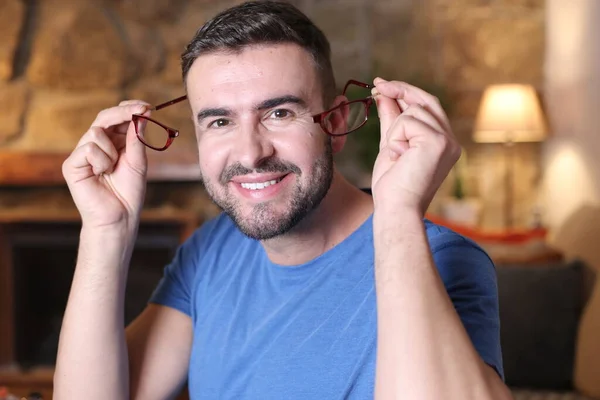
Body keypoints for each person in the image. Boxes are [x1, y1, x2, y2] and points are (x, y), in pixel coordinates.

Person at [54, 1, 512, 399]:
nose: (251, 152)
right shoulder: (212, 250)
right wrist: (105, 231)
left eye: (279, 113)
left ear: (335, 123)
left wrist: (397, 218)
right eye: (219, 122)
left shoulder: (439, 257)